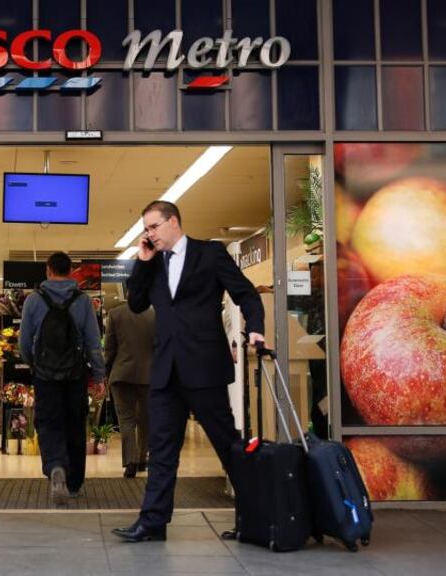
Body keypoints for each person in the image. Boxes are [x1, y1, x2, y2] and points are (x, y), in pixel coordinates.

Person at [112, 200, 265, 543]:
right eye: (145, 229)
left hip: (205, 367)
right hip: (165, 371)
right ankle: (153, 523)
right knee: (161, 449)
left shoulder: (210, 254)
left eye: (153, 227)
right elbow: (136, 303)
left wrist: (256, 327)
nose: (149, 234)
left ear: (173, 222)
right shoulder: (152, 262)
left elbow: (245, 293)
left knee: (226, 445)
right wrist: (142, 263)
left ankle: (256, 518)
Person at [20, 252, 106, 505]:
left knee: (48, 423)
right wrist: (98, 375)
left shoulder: (34, 300)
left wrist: (34, 364)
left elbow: (24, 341)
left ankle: (56, 466)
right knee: (75, 424)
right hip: (75, 374)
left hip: (45, 375)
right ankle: (74, 483)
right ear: (71, 272)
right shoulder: (83, 301)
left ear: (48, 270)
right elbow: (93, 343)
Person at [103, 300, 154, 478]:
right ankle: (142, 458)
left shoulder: (115, 314)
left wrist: (107, 372)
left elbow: (109, 348)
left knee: (126, 420)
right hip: (148, 376)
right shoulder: (155, 315)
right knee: (145, 420)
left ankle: (130, 461)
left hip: (121, 375)